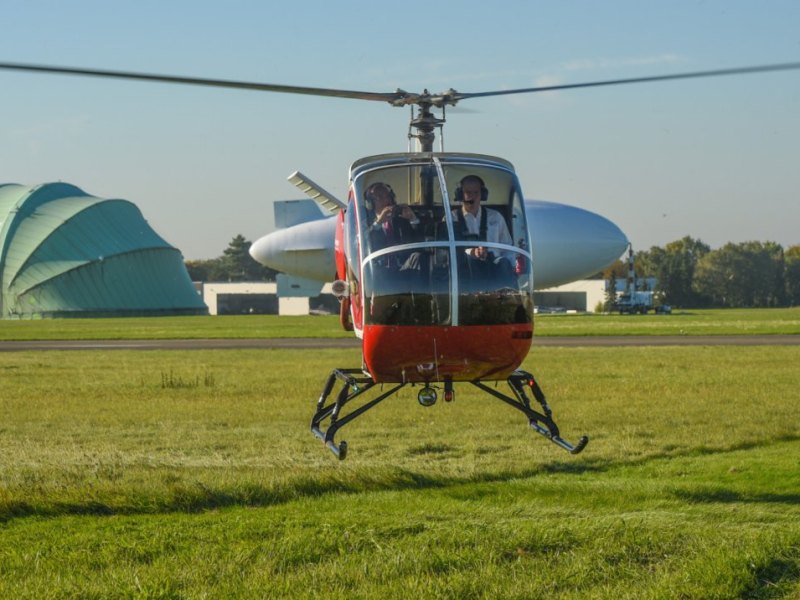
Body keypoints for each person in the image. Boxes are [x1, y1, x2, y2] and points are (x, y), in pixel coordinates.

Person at [452, 175, 515, 278]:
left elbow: (508, 249)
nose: (472, 197)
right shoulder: (451, 218)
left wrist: (509, 268)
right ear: (460, 195)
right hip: (463, 274)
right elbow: (446, 253)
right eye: (468, 192)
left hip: (494, 273)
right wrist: (471, 252)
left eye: (476, 192)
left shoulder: (496, 217)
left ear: (483, 194)